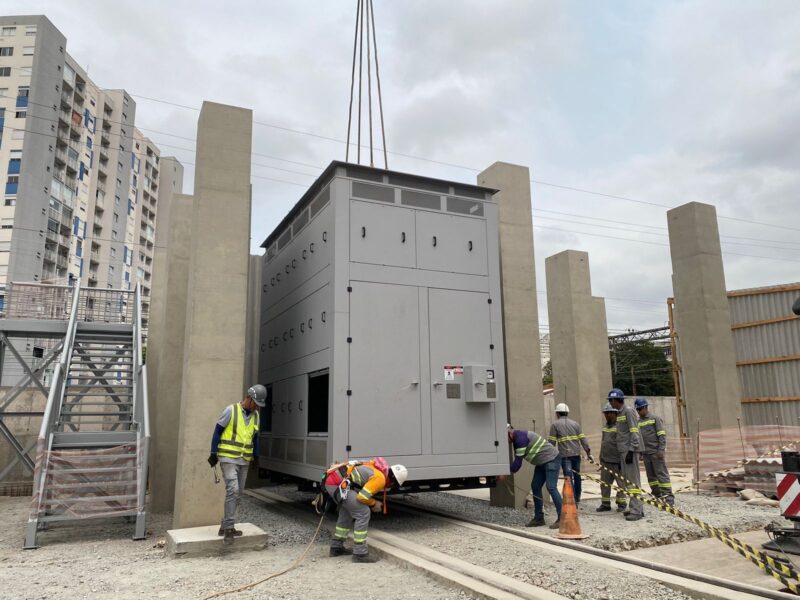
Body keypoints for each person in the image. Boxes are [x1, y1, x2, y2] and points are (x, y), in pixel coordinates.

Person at [207, 384, 266, 545]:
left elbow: (255, 438)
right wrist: (213, 453)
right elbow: (217, 431)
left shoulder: (256, 416)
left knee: (238, 493)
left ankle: (225, 525)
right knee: (232, 489)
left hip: (244, 459)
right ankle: (228, 529)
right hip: (227, 458)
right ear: (249, 398)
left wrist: (256, 456)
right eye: (256, 403)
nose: (257, 408)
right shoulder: (230, 410)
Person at [324, 457, 408, 563]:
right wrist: (374, 503)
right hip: (337, 483)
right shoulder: (380, 478)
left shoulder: (376, 469)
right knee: (363, 512)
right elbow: (362, 497)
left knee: (348, 511)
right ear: (393, 481)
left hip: (334, 480)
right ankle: (360, 553)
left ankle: (336, 547)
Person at [504, 425, 562, 529]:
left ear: (509, 434)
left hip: (551, 459)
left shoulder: (520, 439)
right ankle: (539, 518)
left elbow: (517, 464)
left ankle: (563, 518)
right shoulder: (517, 438)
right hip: (542, 462)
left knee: (551, 487)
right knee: (535, 486)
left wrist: (504, 473)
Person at [607, 388, 645, 521]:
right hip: (623, 452)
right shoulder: (620, 413)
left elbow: (634, 432)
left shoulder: (628, 411)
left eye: (611, 401)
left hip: (629, 451)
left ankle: (637, 511)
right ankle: (636, 507)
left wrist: (631, 450)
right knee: (629, 482)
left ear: (616, 400)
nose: (610, 404)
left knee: (633, 482)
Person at [548, 403, 593, 504]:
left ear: (557, 413)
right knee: (577, 476)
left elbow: (551, 443)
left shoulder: (555, 425)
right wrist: (589, 453)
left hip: (565, 457)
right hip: (576, 456)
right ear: (567, 412)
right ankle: (577, 498)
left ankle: (571, 500)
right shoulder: (575, 424)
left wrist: (549, 457)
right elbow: (583, 440)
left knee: (568, 477)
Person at [635, 398, 674, 505]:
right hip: (646, 454)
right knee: (651, 476)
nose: (638, 411)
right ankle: (657, 494)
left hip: (656, 453)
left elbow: (661, 435)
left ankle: (668, 497)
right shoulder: (638, 422)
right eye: (637, 409)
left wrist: (661, 450)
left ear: (645, 407)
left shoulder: (655, 419)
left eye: (640, 409)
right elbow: (639, 439)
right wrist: (641, 453)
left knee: (661, 474)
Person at [596, 403, 627, 513]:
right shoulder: (606, 427)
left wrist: (622, 461)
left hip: (617, 462)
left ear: (615, 413)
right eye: (605, 413)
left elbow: (622, 445)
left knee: (621, 485)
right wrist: (601, 459)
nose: (607, 415)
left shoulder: (620, 427)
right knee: (604, 484)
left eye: (609, 413)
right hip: (606, 461)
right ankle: (605, 504)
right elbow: (603, 443)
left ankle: (621, 503)